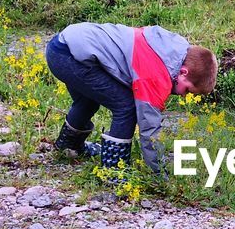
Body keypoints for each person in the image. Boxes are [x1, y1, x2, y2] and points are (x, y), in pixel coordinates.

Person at [44, 22, 217, 174]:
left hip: (61, 45)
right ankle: (114, 170)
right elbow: (149, 128)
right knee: (126, 107)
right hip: (70, 56)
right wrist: (159, 171)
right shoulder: (157, 73)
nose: (183, 95)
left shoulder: (173, 50)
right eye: (187, 90)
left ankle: (68, 147)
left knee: (88, 100)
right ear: (183, 72)